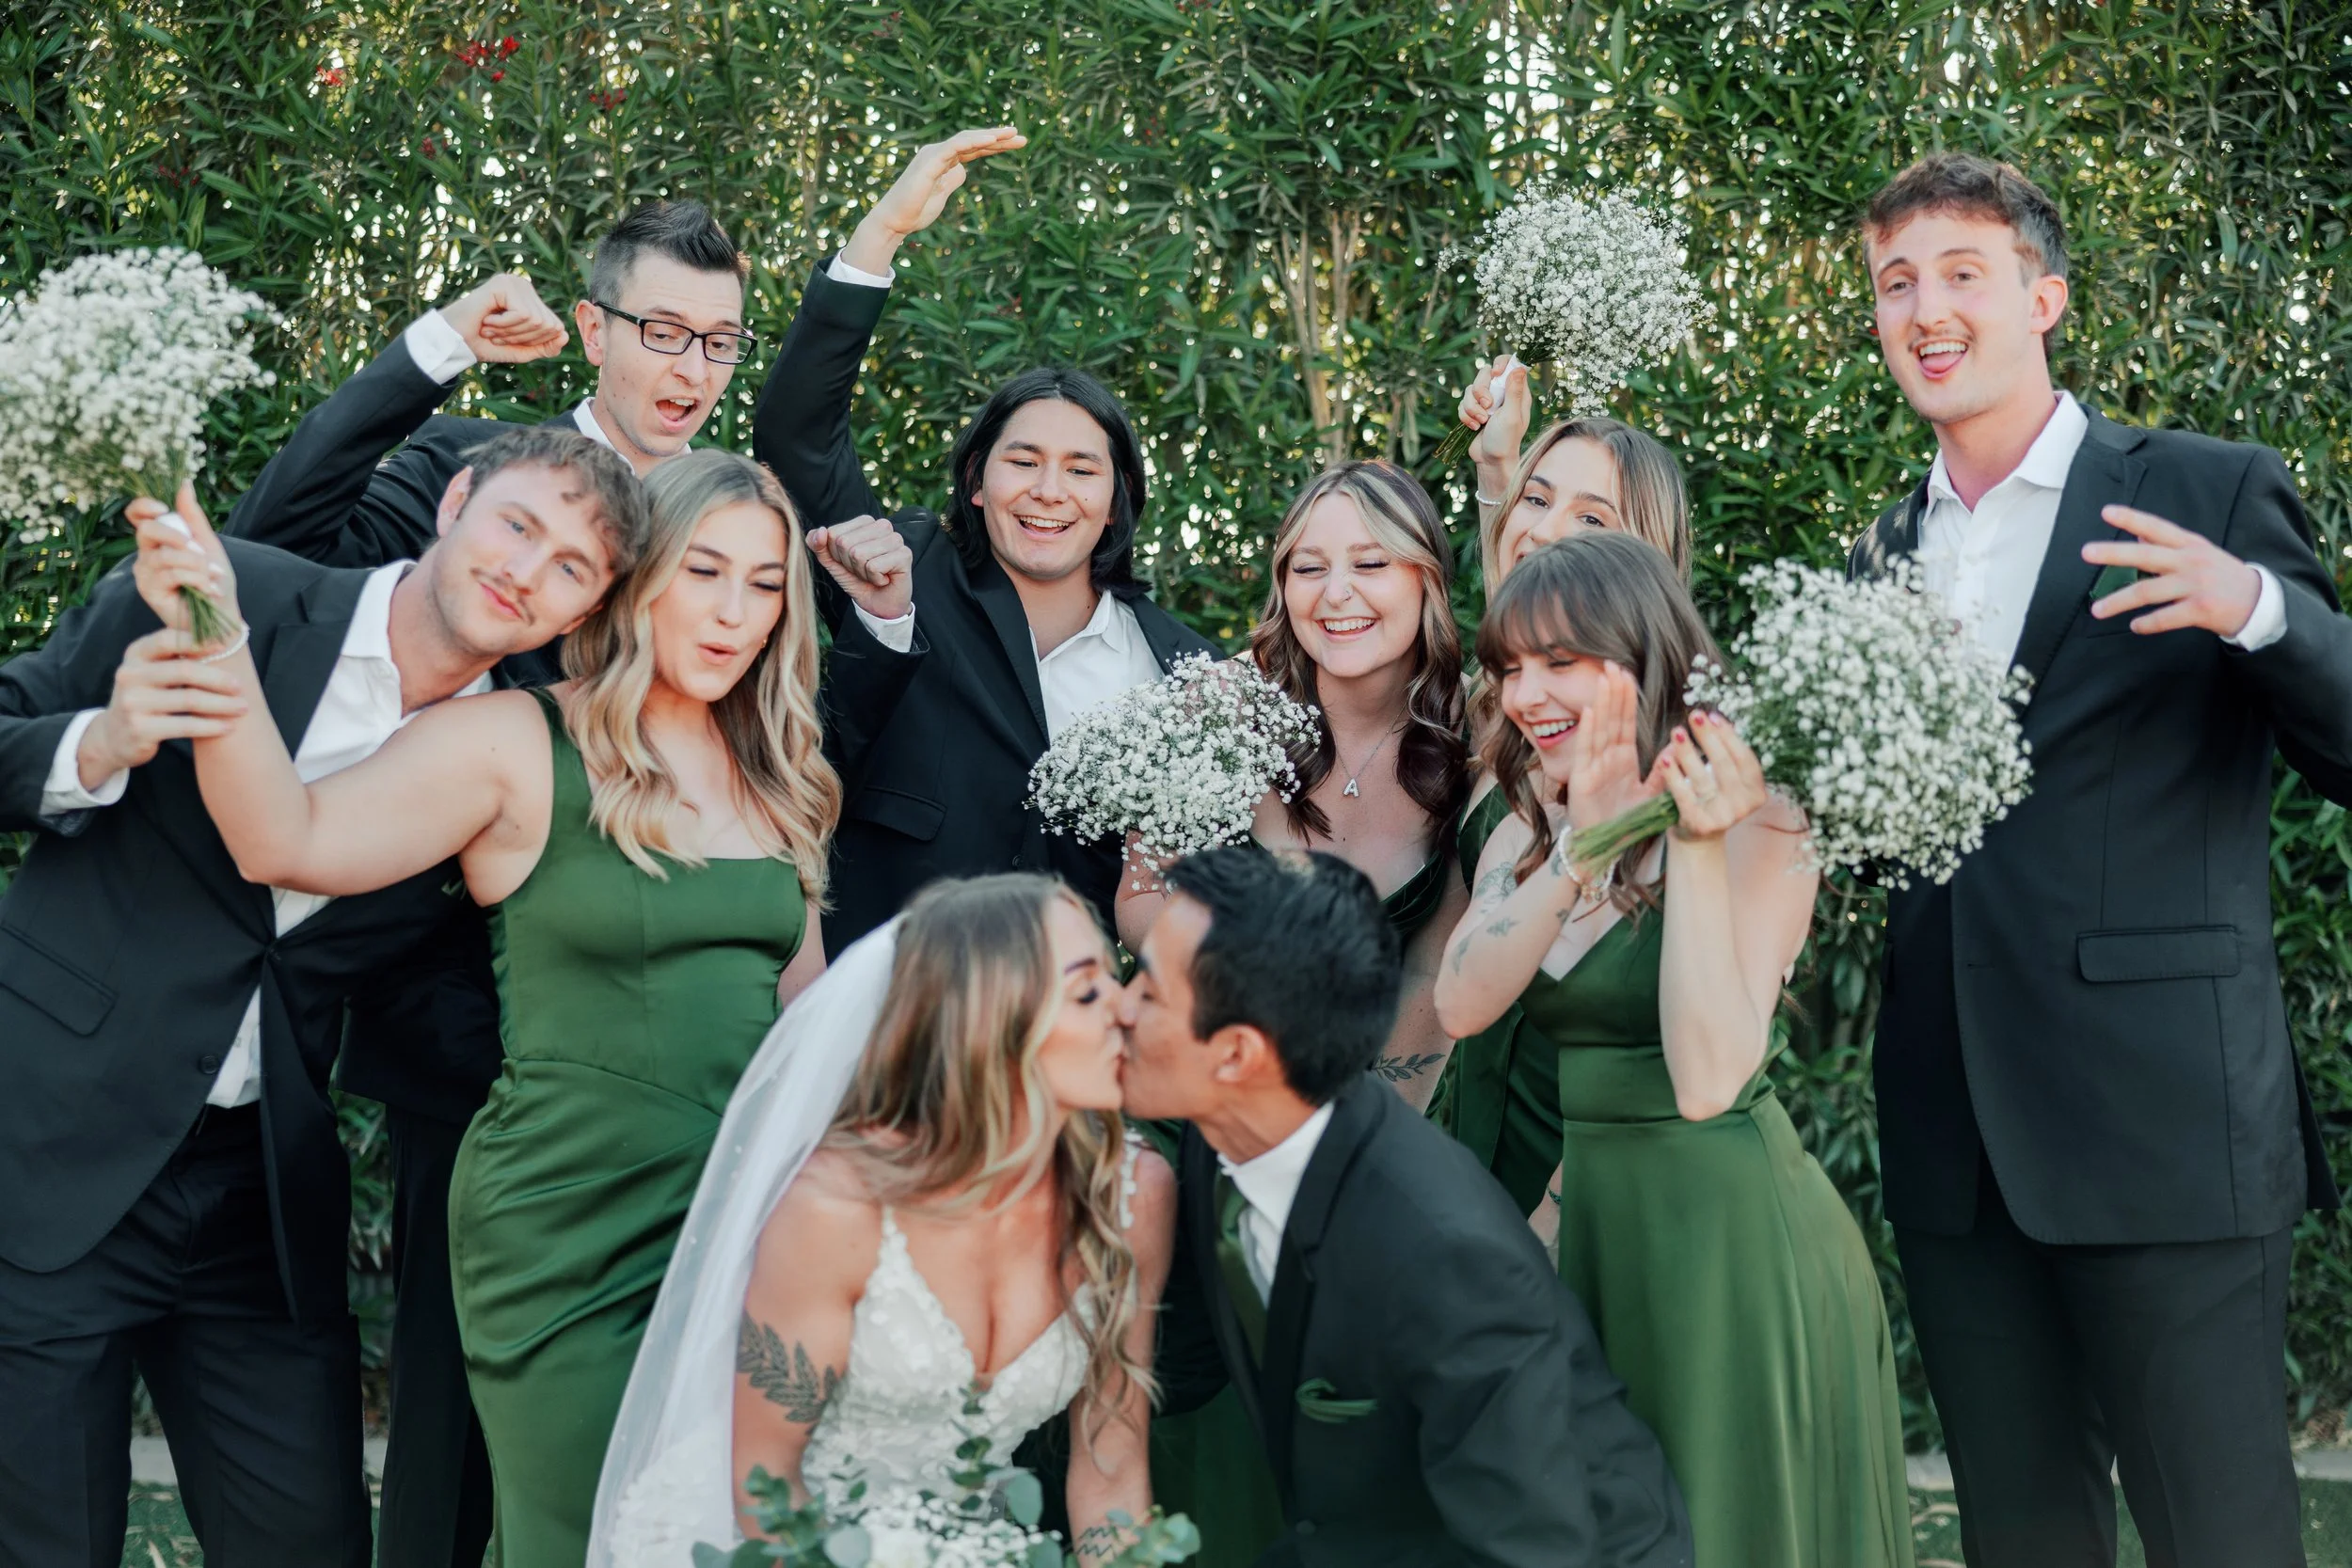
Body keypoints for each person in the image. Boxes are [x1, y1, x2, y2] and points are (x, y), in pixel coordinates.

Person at [219, 207, 919, 1568]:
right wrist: (205, 628)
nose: (691, 364)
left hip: (728, 1173)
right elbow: (283, 575)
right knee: (494, 1487)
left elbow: (803, 972)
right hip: (512, 1106)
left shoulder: (769, 717)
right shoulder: (485, 500)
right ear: (594, 329)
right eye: (664, 331)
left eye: (718, 341)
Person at [145, 448, 846, 1568]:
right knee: (586, 1533)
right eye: (704, 570)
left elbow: (807, 1028)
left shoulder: (780, 773)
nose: (734, 612)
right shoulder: (515, 742)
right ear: (638, 577)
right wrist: (216, 642)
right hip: (565, 1220)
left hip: (746, 1221)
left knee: (731, 1535)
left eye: (764, 584)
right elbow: (286, 838)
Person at [0, 426, 643, 1568]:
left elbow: (453, 989)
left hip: (259, 1198)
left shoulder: (515, 758)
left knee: (311, 1543)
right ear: (454, 500)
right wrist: (98, 743)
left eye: (570, 568)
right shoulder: (230, 591)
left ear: (583, 612)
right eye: (518, 523)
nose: (525, 572)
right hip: (45, 1148)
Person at [1851, 151, 2352, 1568]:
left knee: (2223, 1536)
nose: (1926, 309)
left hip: (2166, 1132)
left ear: (2044, 298)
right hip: (1956, 1143)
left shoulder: (2205, 488)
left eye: (1962, 273)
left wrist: (2255, 609)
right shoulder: (1877, 556)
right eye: (1896, 283)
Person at [1434, 533, 1914, 1568]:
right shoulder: (1525, 829)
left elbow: (1707, 1077)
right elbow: (1462, 1003)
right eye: (1510, 666)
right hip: (1599, 1237)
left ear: (1643, 658)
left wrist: (1689, 843)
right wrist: (1585, 844)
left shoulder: (1764, 819)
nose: (1525, 694)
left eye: (1560, 660)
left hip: (1732, 1246)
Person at [1120, 846, 1692, 1568]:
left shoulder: (1443, 1256)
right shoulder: (1229, 1134)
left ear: (1237, 1053)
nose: (1118, 1006)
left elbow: (1535, 1541)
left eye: (1148, 991)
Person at [589, 876, 1176, 1565]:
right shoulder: (836, 1210)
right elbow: (766, 1483)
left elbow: (1112, 1472)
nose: (1128, 1009)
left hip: (967, 1543)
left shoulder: (1131, 1196)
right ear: (987, 1023)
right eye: (1086, 992)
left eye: (1113, 979)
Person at [754, 128, 1216, 951]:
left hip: (1062, 1014)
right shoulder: (904, 574)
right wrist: (883, 234)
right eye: (1023, 461)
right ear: (975, 480)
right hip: (886, 993)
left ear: (1115, 503)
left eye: (1081, 469)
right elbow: (799, 437)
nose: (1048, 491)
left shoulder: (1181, 671)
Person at [1429, 367, 1695, 1235]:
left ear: (1647, 556)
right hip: (1470, 1139)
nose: (1544, 531)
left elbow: (1652, 1040)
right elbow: (1523, 608)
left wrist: (1550, 1230)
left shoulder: (1659, 758)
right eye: (1536, 501)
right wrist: (1495, 469)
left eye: (1591, 519)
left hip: (1578, 1181)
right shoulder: (1522, 708)